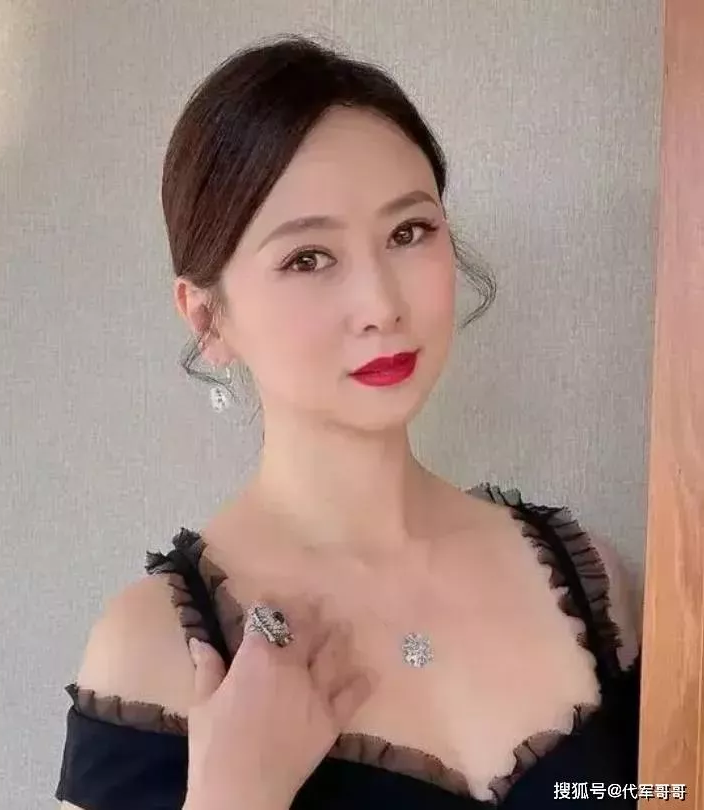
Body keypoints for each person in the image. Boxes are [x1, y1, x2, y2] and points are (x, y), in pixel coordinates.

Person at [55, 35, 641, 809]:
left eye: (408, 233)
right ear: (207, 318)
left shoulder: (588, 584)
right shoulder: (153, 651)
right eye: (308, 258)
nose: (381, 304)